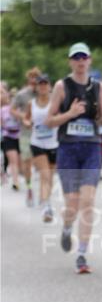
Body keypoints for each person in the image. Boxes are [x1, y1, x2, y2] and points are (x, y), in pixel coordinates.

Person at [47, 43, 102, 274]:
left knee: (88, 202)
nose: (80, 61)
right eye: (76, 57)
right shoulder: (62, 86)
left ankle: (81, 254)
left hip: (91, 147)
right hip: (68, 149)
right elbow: (49, 121)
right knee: (72, 203)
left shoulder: (98, 86)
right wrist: (70, 114)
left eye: (84, 57)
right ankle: (67, 226)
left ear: (89, 60)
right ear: (70, 61)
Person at [26, 74, 58, 221]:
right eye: (40, 84)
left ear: (50, 86)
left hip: (54, 143)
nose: (43, 86)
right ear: (37, 87)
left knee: (50, 177)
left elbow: (62, 117)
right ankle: (47, 208)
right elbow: (26, 118)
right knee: (45, 175)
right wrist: (27, 122)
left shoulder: (56, 102)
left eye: (45, 83)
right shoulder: (31, 103)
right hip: (37, 143)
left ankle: (44, 198)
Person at [12, 67, 41, 206]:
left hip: (42, 133)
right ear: (29, 80)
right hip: (25, 132)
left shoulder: (45, 93)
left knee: (40, 161)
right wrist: (24, 117)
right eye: (32, 78)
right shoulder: (22, 94)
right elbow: (12, 109)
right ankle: (29, 188)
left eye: (37, 78)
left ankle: (42, 187)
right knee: (27, 161)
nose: (34, 81)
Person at [1, 85, 21, 190]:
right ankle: (15, 182)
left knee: (19, 161)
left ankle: (25, 179)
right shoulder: (3, 109)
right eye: (11, 97)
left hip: (19, 137)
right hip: (8, 136)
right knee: (13, 160)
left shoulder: (19, 109)